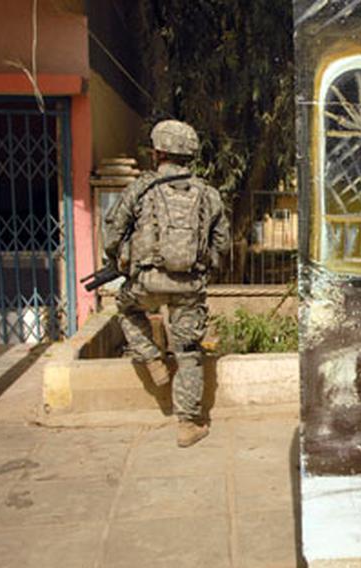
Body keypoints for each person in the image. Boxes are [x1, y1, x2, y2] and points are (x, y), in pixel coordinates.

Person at [104, 119, 230, 448]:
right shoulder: (208, 194)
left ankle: (151, 359)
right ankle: (188, 425)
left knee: (125, 309)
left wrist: (120, 257)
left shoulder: (141, 188)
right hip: (190, 287)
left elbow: (113, 233)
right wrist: (203, 270)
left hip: (146, 283)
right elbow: (223, 243)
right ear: (189, 155)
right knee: (188, 351)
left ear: (158, 152)